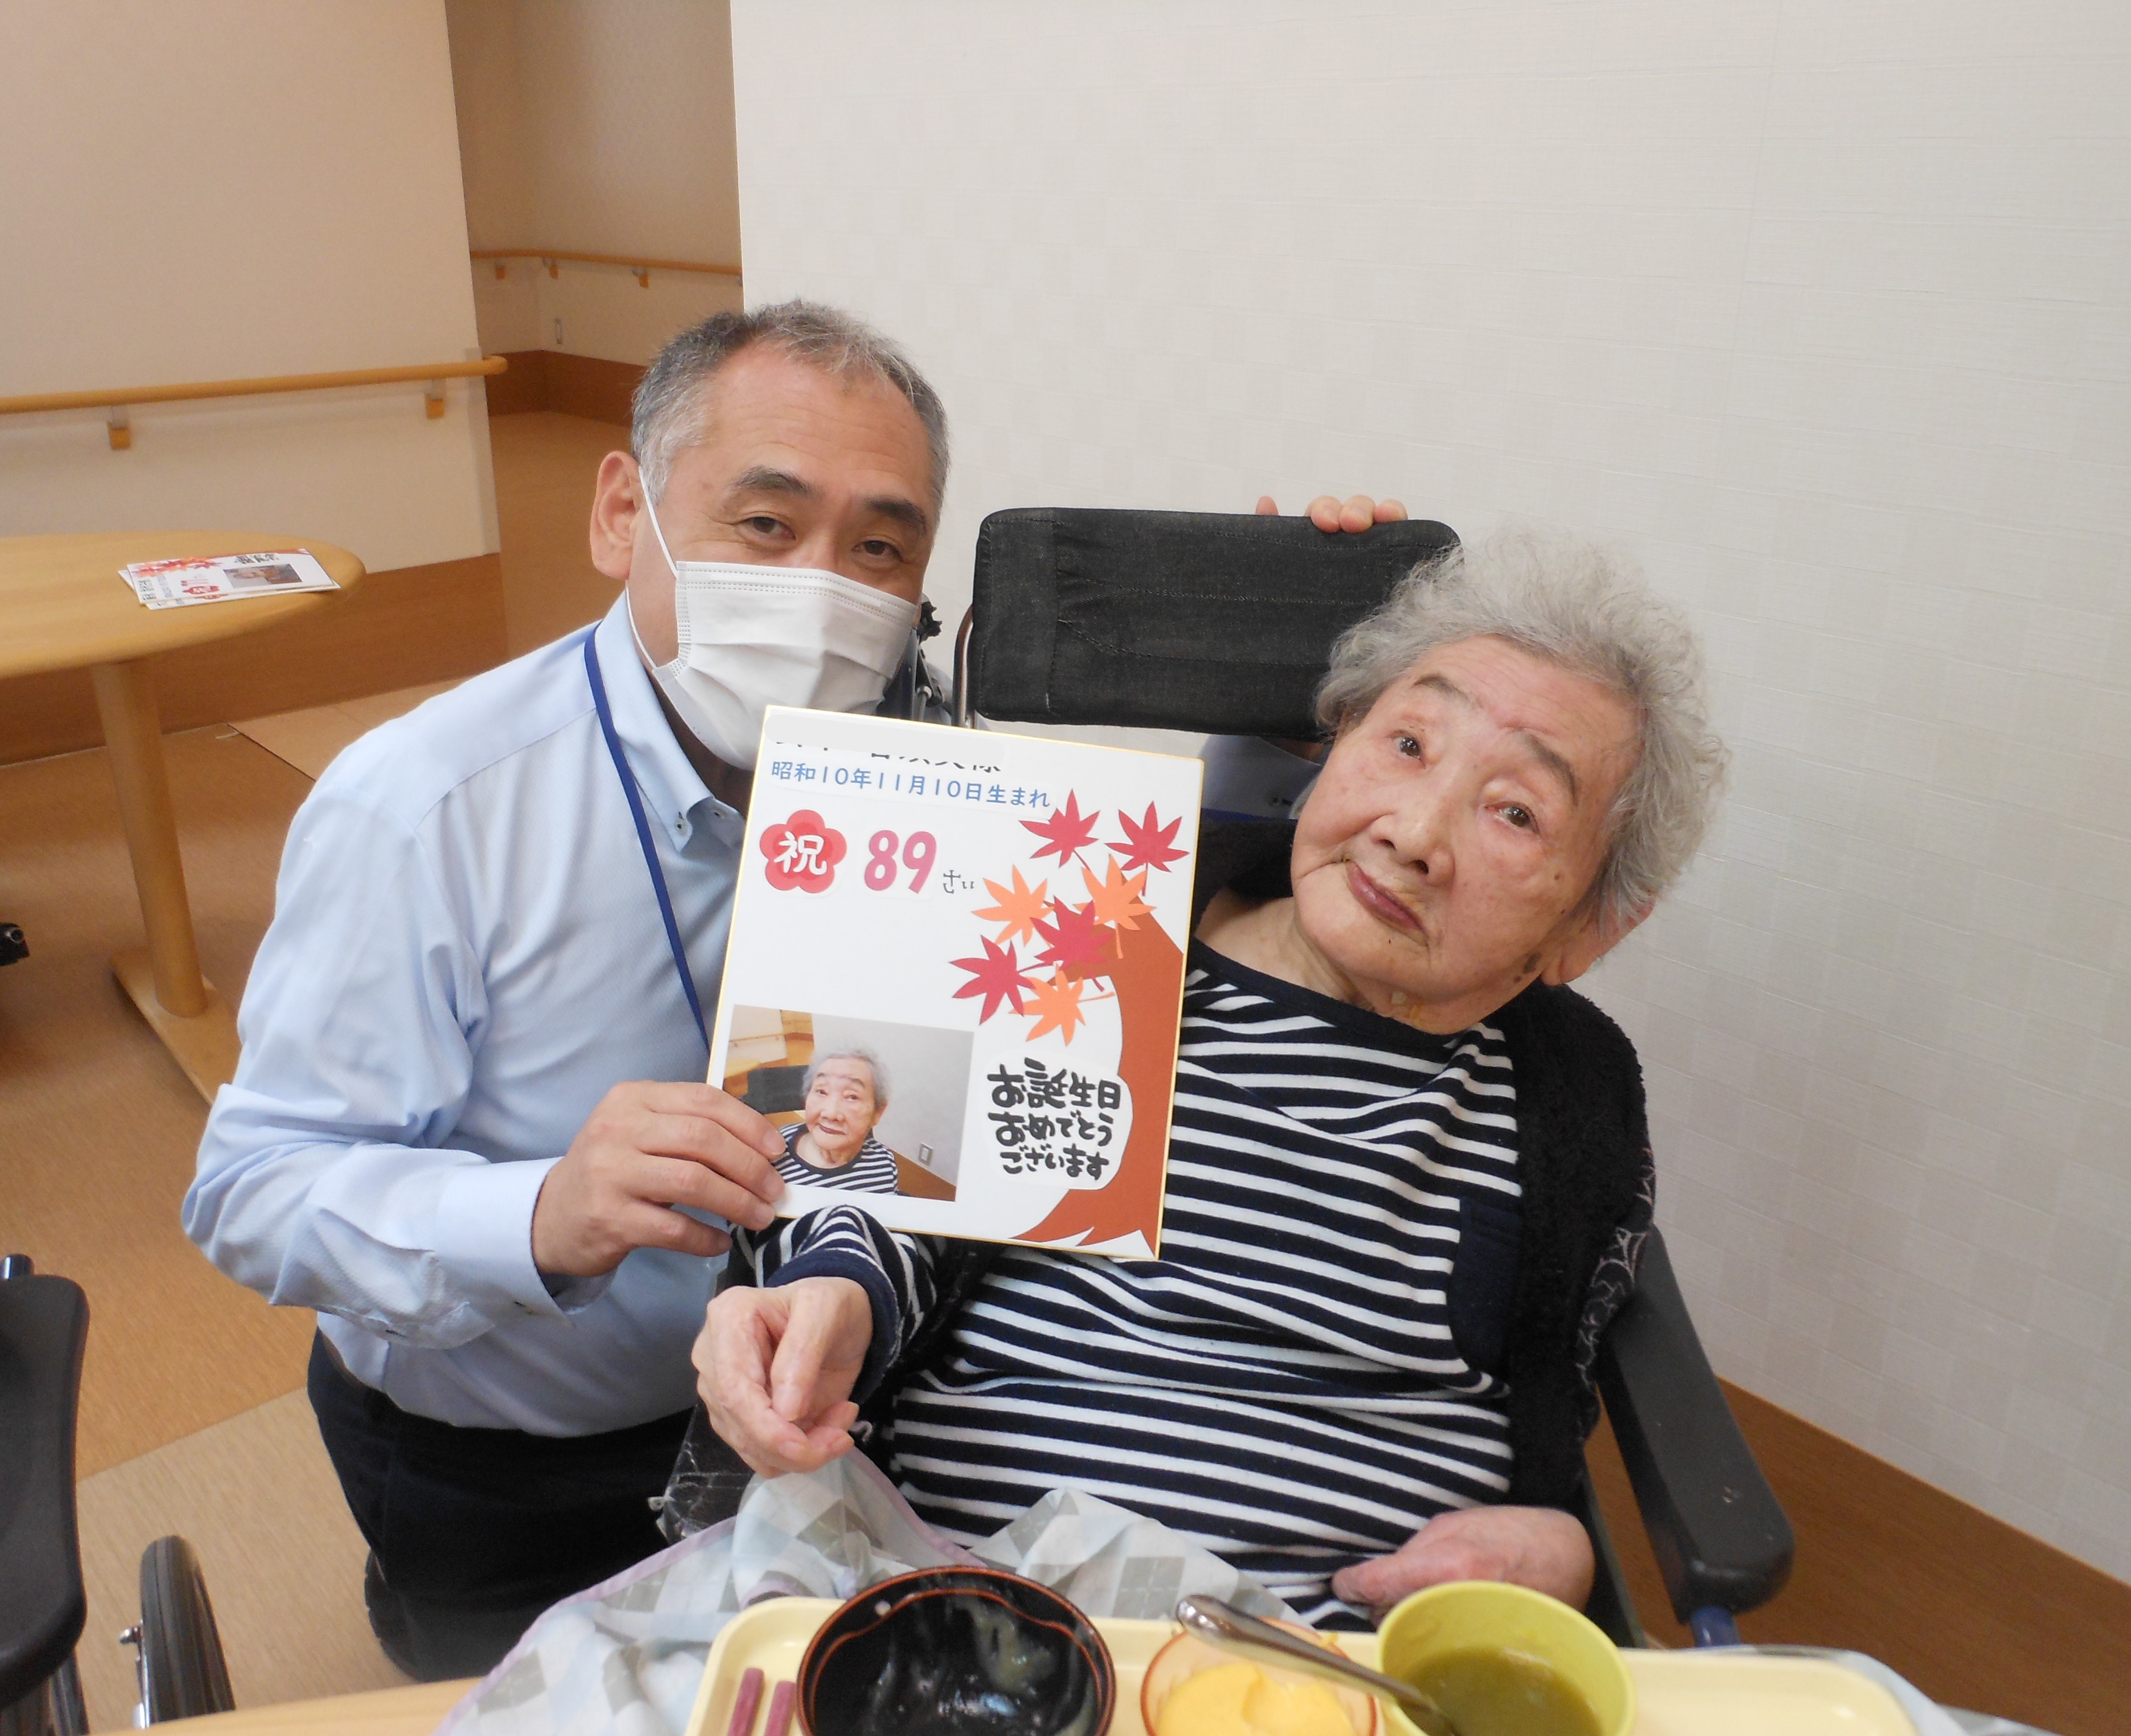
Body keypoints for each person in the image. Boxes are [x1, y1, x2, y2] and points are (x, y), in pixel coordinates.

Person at [182, 294, 1405, 1675]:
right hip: (516, 1450)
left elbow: (1142, 903)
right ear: (622, 514)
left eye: (879, 548)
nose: (823, 586)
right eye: (765, 524)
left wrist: (1311, 695)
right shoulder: (426, 805)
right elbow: (252, 1187)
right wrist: (539, 1213)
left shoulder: (939, 759)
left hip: (827, 1405)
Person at [690, 528, 1728, 1626]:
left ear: (1591, 928)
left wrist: (1556, 1544)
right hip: (966, 1617)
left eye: (1516, 811)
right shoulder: (1091, 935)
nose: (1414, 833)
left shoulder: (1566, 1097)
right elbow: (899, 1197)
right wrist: (837, 1295)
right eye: (1409, 743)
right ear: (1335, 737)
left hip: (1324, 1668)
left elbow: (1550, 1410)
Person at [770, 1051, 899, 1194]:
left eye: (852, 1097)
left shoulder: (883, 1164)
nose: (830, 1114)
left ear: (878, 1113)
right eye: (821, 1091)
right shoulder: (775, 1153)